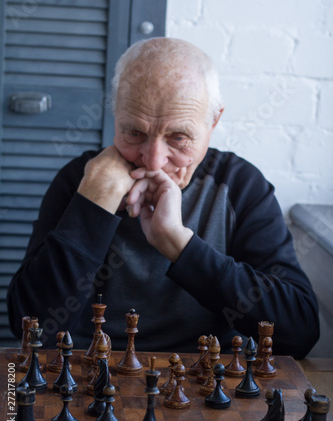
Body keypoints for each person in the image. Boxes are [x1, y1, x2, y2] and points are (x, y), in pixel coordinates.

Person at [7, 37, 319, 359]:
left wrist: (179, 245)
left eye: (179, 138)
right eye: (134, 133)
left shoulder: (240, 187)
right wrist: (92, 207)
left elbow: (299, 332)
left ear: (213, 122)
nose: (153, 161)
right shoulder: (80, 180)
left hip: (203, 386)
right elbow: (31, 329)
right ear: (116, 116)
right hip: (89, 378)